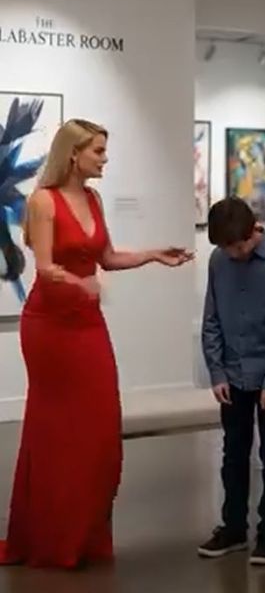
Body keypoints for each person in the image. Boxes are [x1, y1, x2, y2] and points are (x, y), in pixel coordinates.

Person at [0, 119, 193, 568]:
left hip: (87, 323)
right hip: (49, 326)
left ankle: (83, 533)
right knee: (56, 429)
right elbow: (44, 268)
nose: (105, 159)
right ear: (74, 154)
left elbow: (106, 258)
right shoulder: (43, 201)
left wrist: (152, 255)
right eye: (99, 151)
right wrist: (78, 283)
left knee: (100, 427)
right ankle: (50, 539)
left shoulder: (93, 199)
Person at [198, 197, 265, 566]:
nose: (233, 254)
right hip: (233, 375)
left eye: (237, 247)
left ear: (253, 231)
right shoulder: (218, 260)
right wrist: (217, 371)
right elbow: (211, 319)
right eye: (226, 248)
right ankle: (233, 528)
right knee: (233, 454)